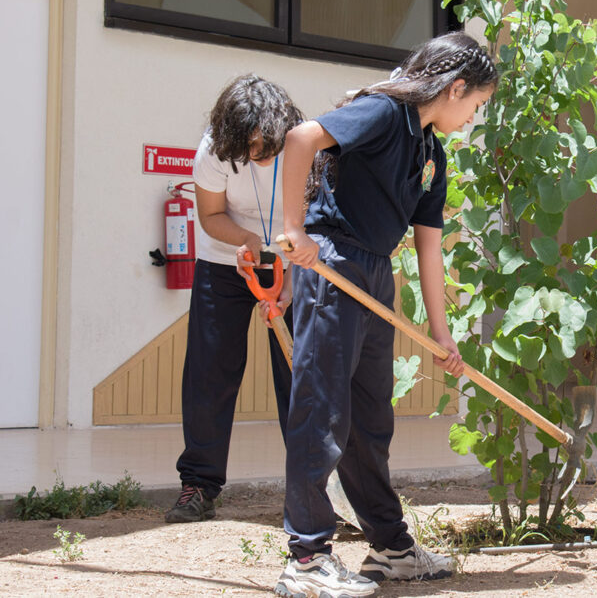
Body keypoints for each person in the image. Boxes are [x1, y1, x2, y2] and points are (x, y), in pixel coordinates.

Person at [274, 32, 497, 598]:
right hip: (332, 262)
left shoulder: (431, 152)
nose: (474, 117)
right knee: (321, 412)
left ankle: (390, 547)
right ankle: (305, 558)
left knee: (371, 419)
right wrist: (294, 230)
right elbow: (300, 140)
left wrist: (442, 336)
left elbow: (428, 246)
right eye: (477, 105)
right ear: (456, 87)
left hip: (375, 272)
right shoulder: (384, 111)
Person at [165, 75, 303, 523]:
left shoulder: (309, 146)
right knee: (209, 370)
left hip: (291, 256)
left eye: (266, 146)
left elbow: (317, 221)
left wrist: (290, 279)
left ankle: (311, 487)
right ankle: (199, 485)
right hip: (225, 258)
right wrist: (247, 242)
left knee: (298, 370)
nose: (259, 155)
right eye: (250, 148)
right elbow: (209, 214)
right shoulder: (214, 148)